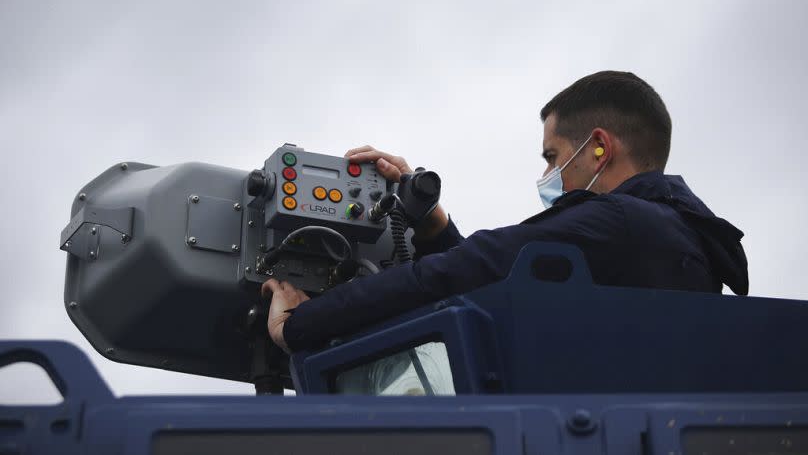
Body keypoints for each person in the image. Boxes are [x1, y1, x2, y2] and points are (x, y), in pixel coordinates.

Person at [262, 71, 749, 353]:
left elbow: (455, 275)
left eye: (553, 157)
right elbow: (502, 284)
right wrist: (433, 222)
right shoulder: (690, 247)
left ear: (599, 148)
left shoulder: (616, 223)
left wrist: (300, 326)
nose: (549, 175)